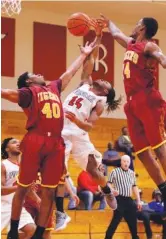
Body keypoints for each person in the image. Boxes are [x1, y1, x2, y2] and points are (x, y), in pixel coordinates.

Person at [1, 41, 96, 239]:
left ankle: (41, 233)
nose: (39, 73)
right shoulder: (28, 93)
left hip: (55, 144)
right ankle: (13, 230)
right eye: (34, 73)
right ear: (29, 82)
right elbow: (6, 93)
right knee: (23, 187)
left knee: (49, 193)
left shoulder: (53, 87)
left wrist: (84, 55)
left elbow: (69, 72)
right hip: (36, 139)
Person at [55, 23, 121, 229]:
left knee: (94, 172)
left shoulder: (99, 102)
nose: (103, 79)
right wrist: (98, 36)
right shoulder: (85, 83)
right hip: (62, 131)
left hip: (79, 133)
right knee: (57, 171)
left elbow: (89, 127)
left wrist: (76, 120)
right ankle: (60, 211)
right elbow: (90, 60)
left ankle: (107, 191)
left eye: (107, 83)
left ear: (106, 92)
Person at [99, 14, 166, 213]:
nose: (134, 25)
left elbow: (161, 56)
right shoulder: (131, 44)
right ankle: (163, 187)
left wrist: (162, 61)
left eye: (137, 23)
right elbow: (117, 34)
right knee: (142, 153)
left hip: (148, 99)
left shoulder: (149, 46)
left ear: (142, 28)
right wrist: (108, 22)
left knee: (159, 149)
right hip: (132, 103)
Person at [1, 138, 35, 239]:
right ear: (7, 149)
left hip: (18, 206)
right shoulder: (3, 165)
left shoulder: (24, 167)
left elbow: (27, 189)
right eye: (14, 142)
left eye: (19, 143)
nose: (18, 144)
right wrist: (19, 187)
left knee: (31, 230)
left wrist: (38, 200)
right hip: (3, 206)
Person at [105, 155, 141, 239]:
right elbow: (108, 183)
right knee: (115, 221)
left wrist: (138, 201)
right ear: (121, 162)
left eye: (128, 161)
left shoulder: (132, 173)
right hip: (119, 199)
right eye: (124, 161)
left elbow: (134, 187)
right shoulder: (115, 171)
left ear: (130, 163)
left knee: (133, 222)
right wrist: (112, 190)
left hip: (129, 200)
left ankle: (135, 237)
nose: (126, 163)